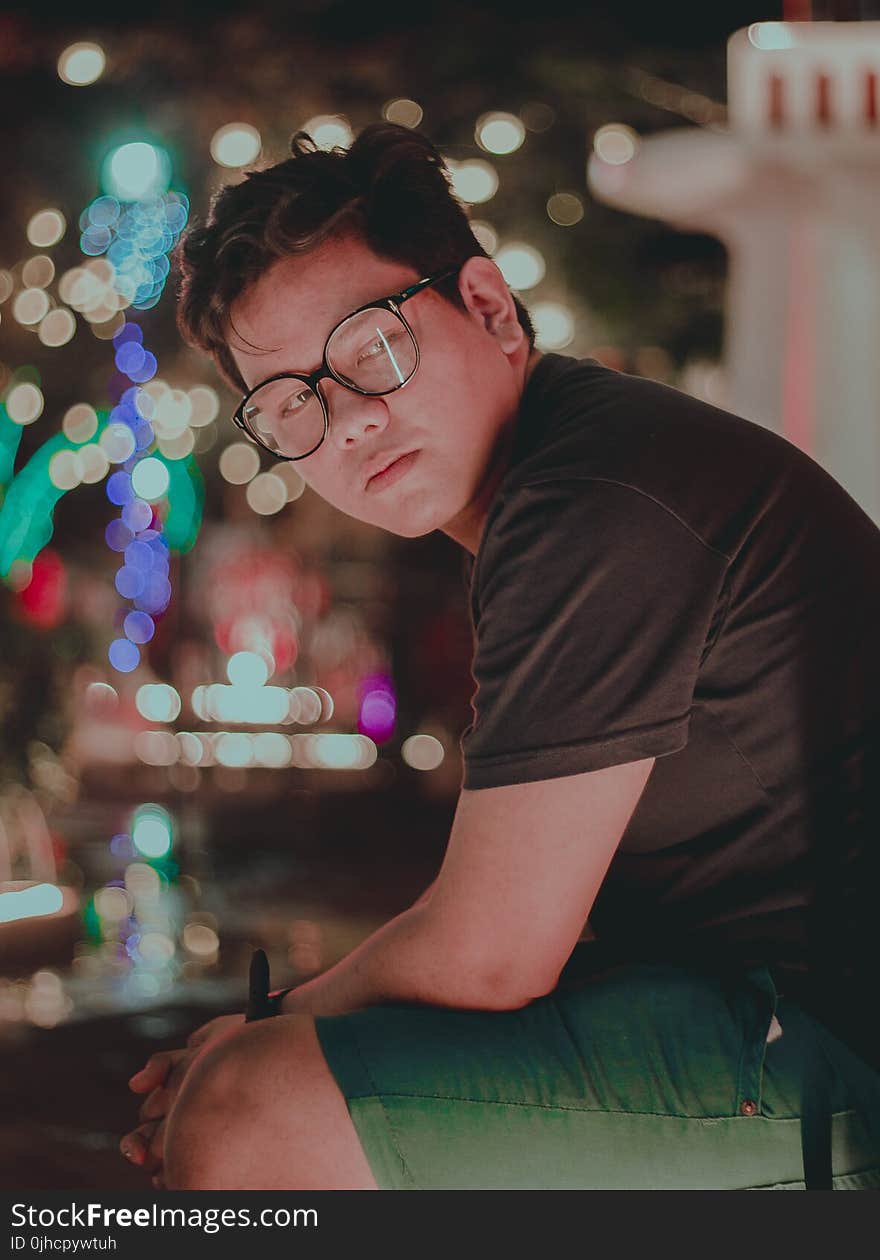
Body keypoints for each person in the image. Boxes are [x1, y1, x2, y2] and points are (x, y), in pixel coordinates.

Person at [119, 123, 880, 1190]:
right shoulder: (564, 478)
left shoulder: (593, 502)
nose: (345, 425)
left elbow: (490, 952)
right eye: (292, 402)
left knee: (253, 1113)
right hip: (755, 1012)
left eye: (371, 350)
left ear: (486, 306)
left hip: (830, 1059)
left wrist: (258, 1031)